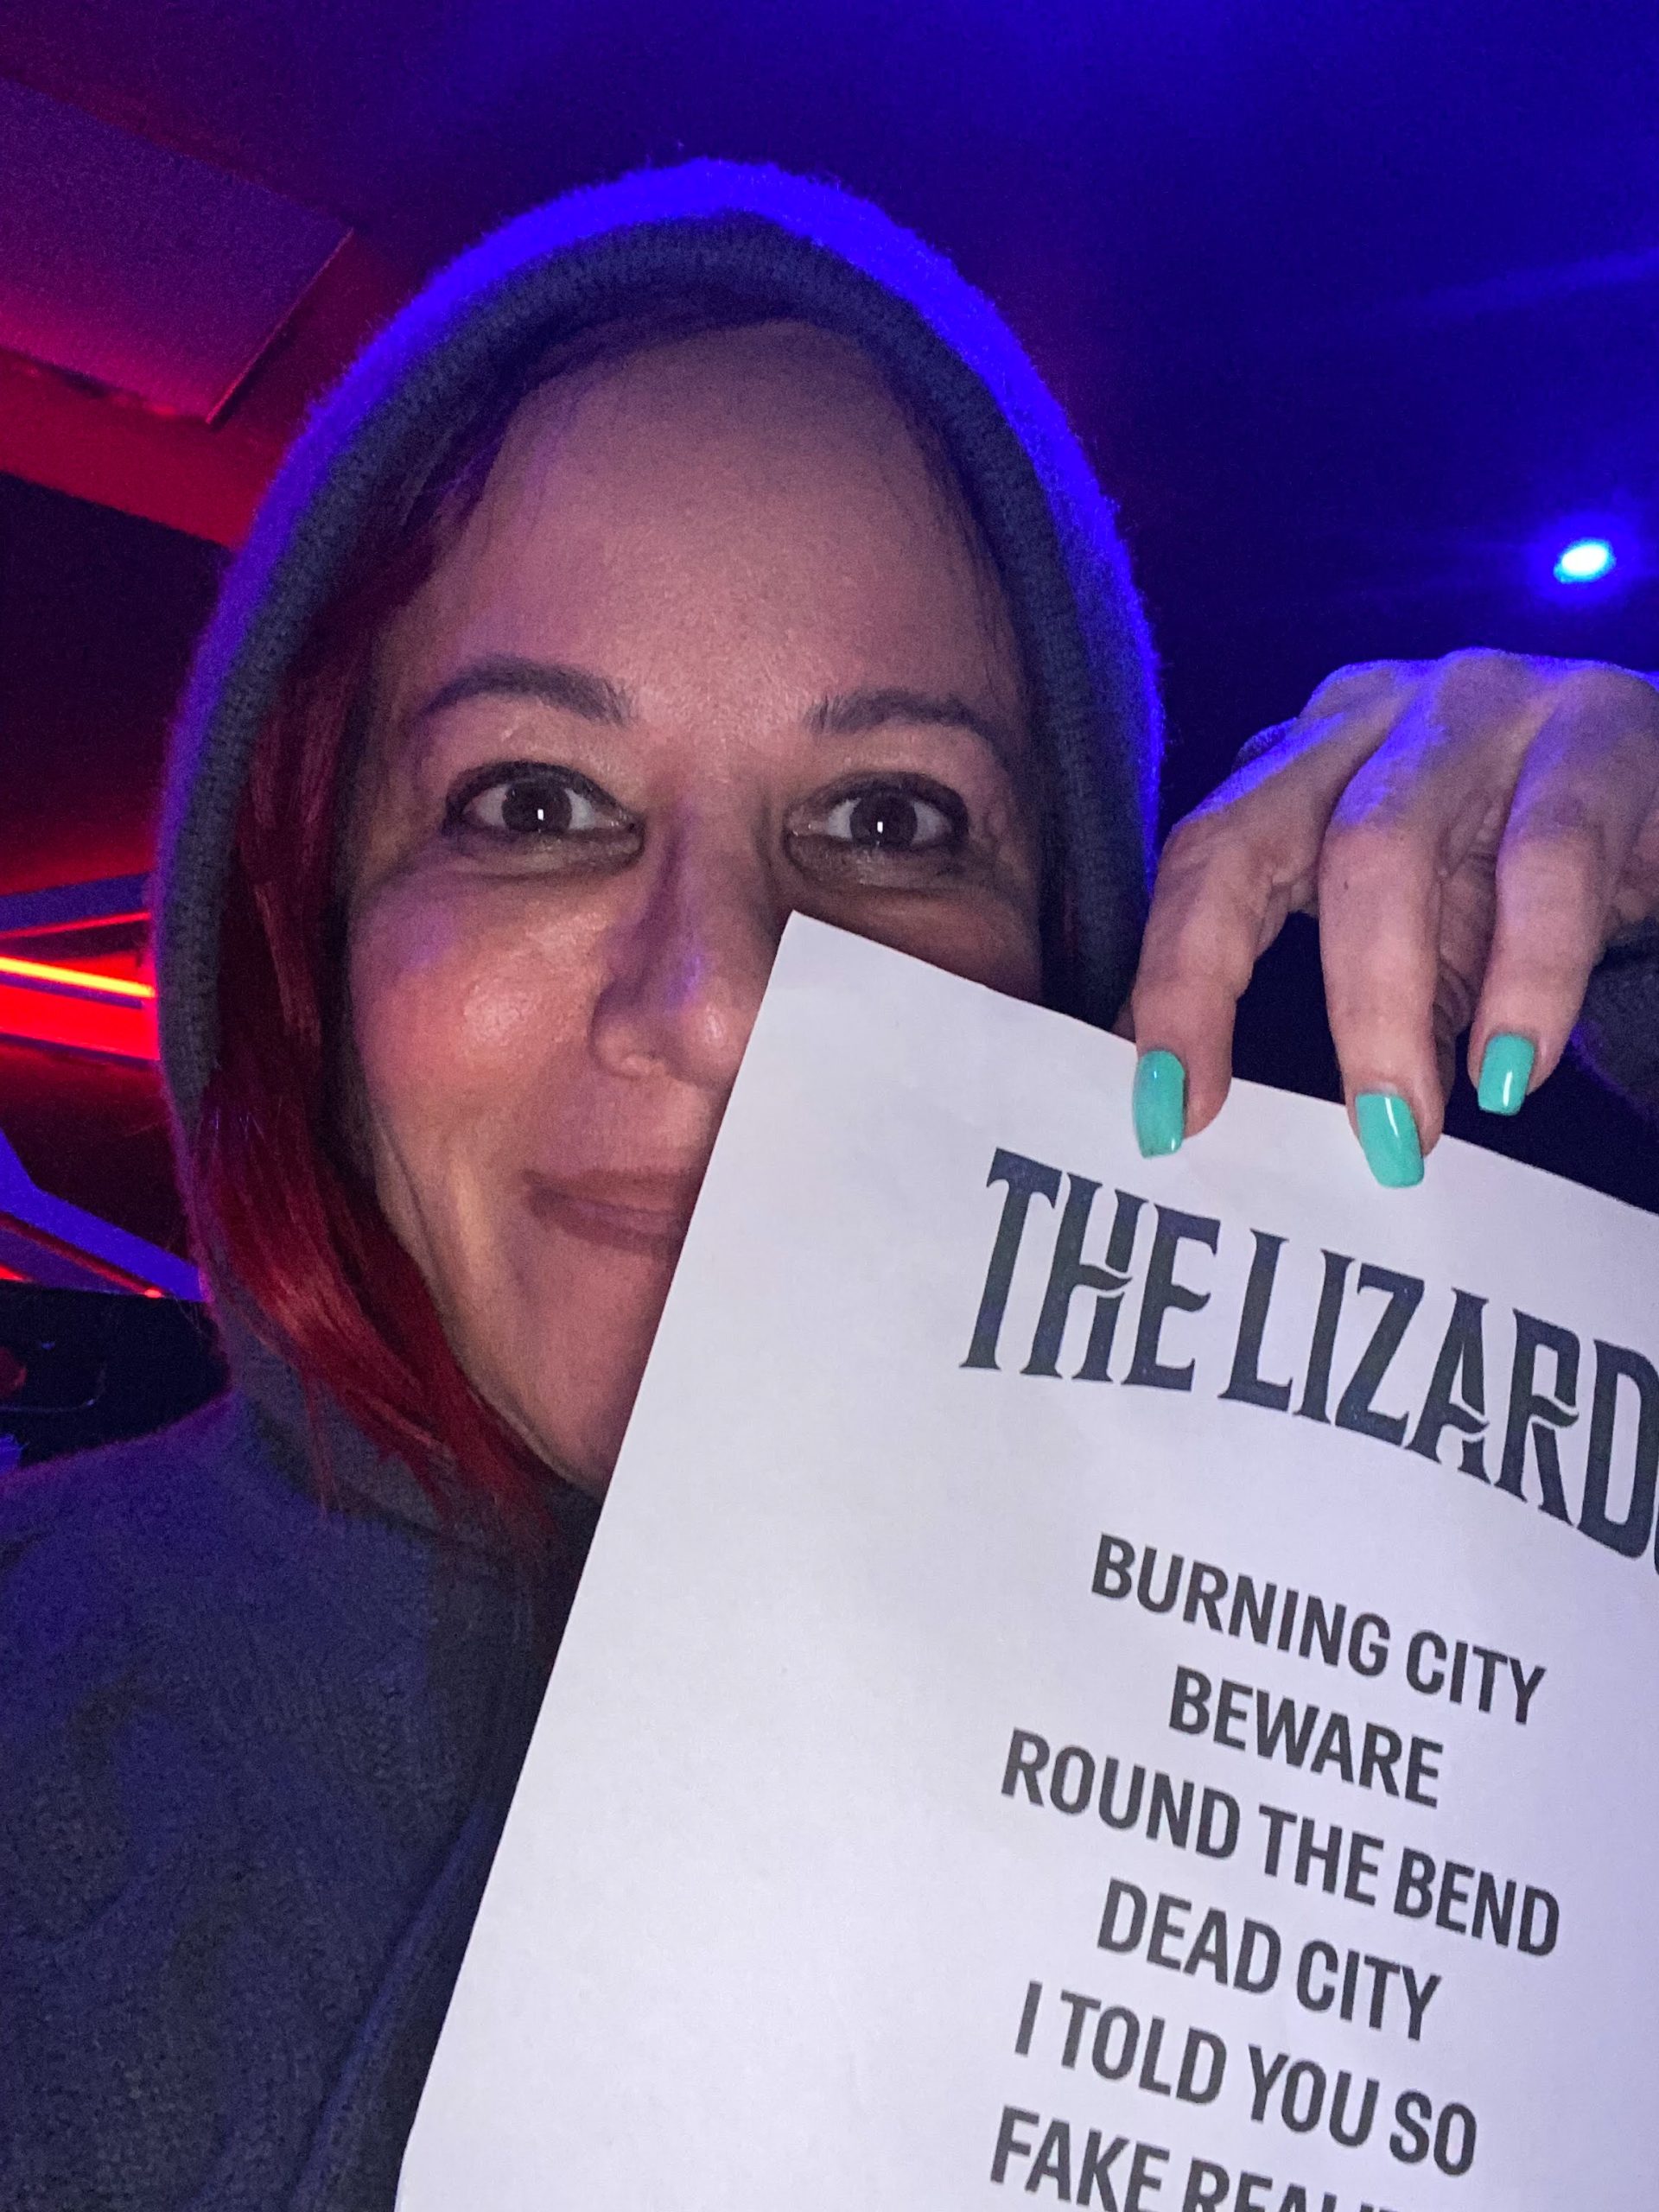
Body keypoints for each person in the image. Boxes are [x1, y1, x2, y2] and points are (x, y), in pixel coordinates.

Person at [1, 160, 1655, 2209]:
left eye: (887, 819)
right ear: (313, 925)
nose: (718, 1002)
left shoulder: (1363, 1707)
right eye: (534, 799)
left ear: (1064, 958)